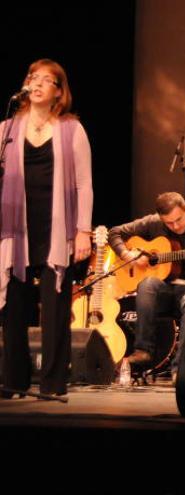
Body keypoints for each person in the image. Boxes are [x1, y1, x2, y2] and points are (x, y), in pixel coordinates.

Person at [0, 59, 93, 397]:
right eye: (32, 77)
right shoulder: (7, 129)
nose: (36, 83)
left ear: (58, 91)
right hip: (16, 227)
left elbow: (85, 184)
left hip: (56, 227)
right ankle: (14, 380)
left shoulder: (72, 129)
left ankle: (53, 383)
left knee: (54, 307)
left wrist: (83, 230)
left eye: (46, 79)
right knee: (12, 306)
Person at [108, 192, 185, 371]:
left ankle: (181, 367)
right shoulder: (153, 223)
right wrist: (127, 254)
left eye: (179, 219)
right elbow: (115, 233)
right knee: (147, 284)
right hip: (165, 289)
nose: (175, 226)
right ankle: (143, 351)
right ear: (161, 218)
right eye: (169, 223)